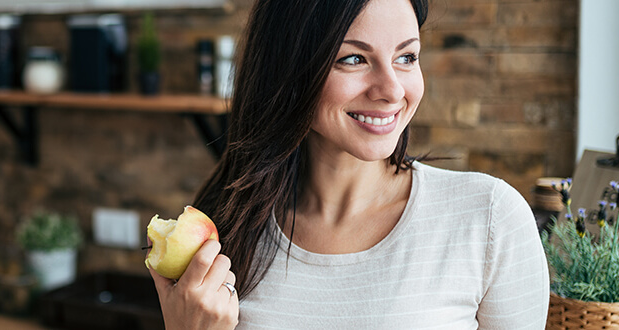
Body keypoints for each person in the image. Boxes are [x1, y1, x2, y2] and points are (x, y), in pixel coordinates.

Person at [146, 0, 550, 328]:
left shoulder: (489, 217)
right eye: (354, 59)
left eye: (407, 56)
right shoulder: (229, 226)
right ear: (290, 70)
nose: (392, 90)